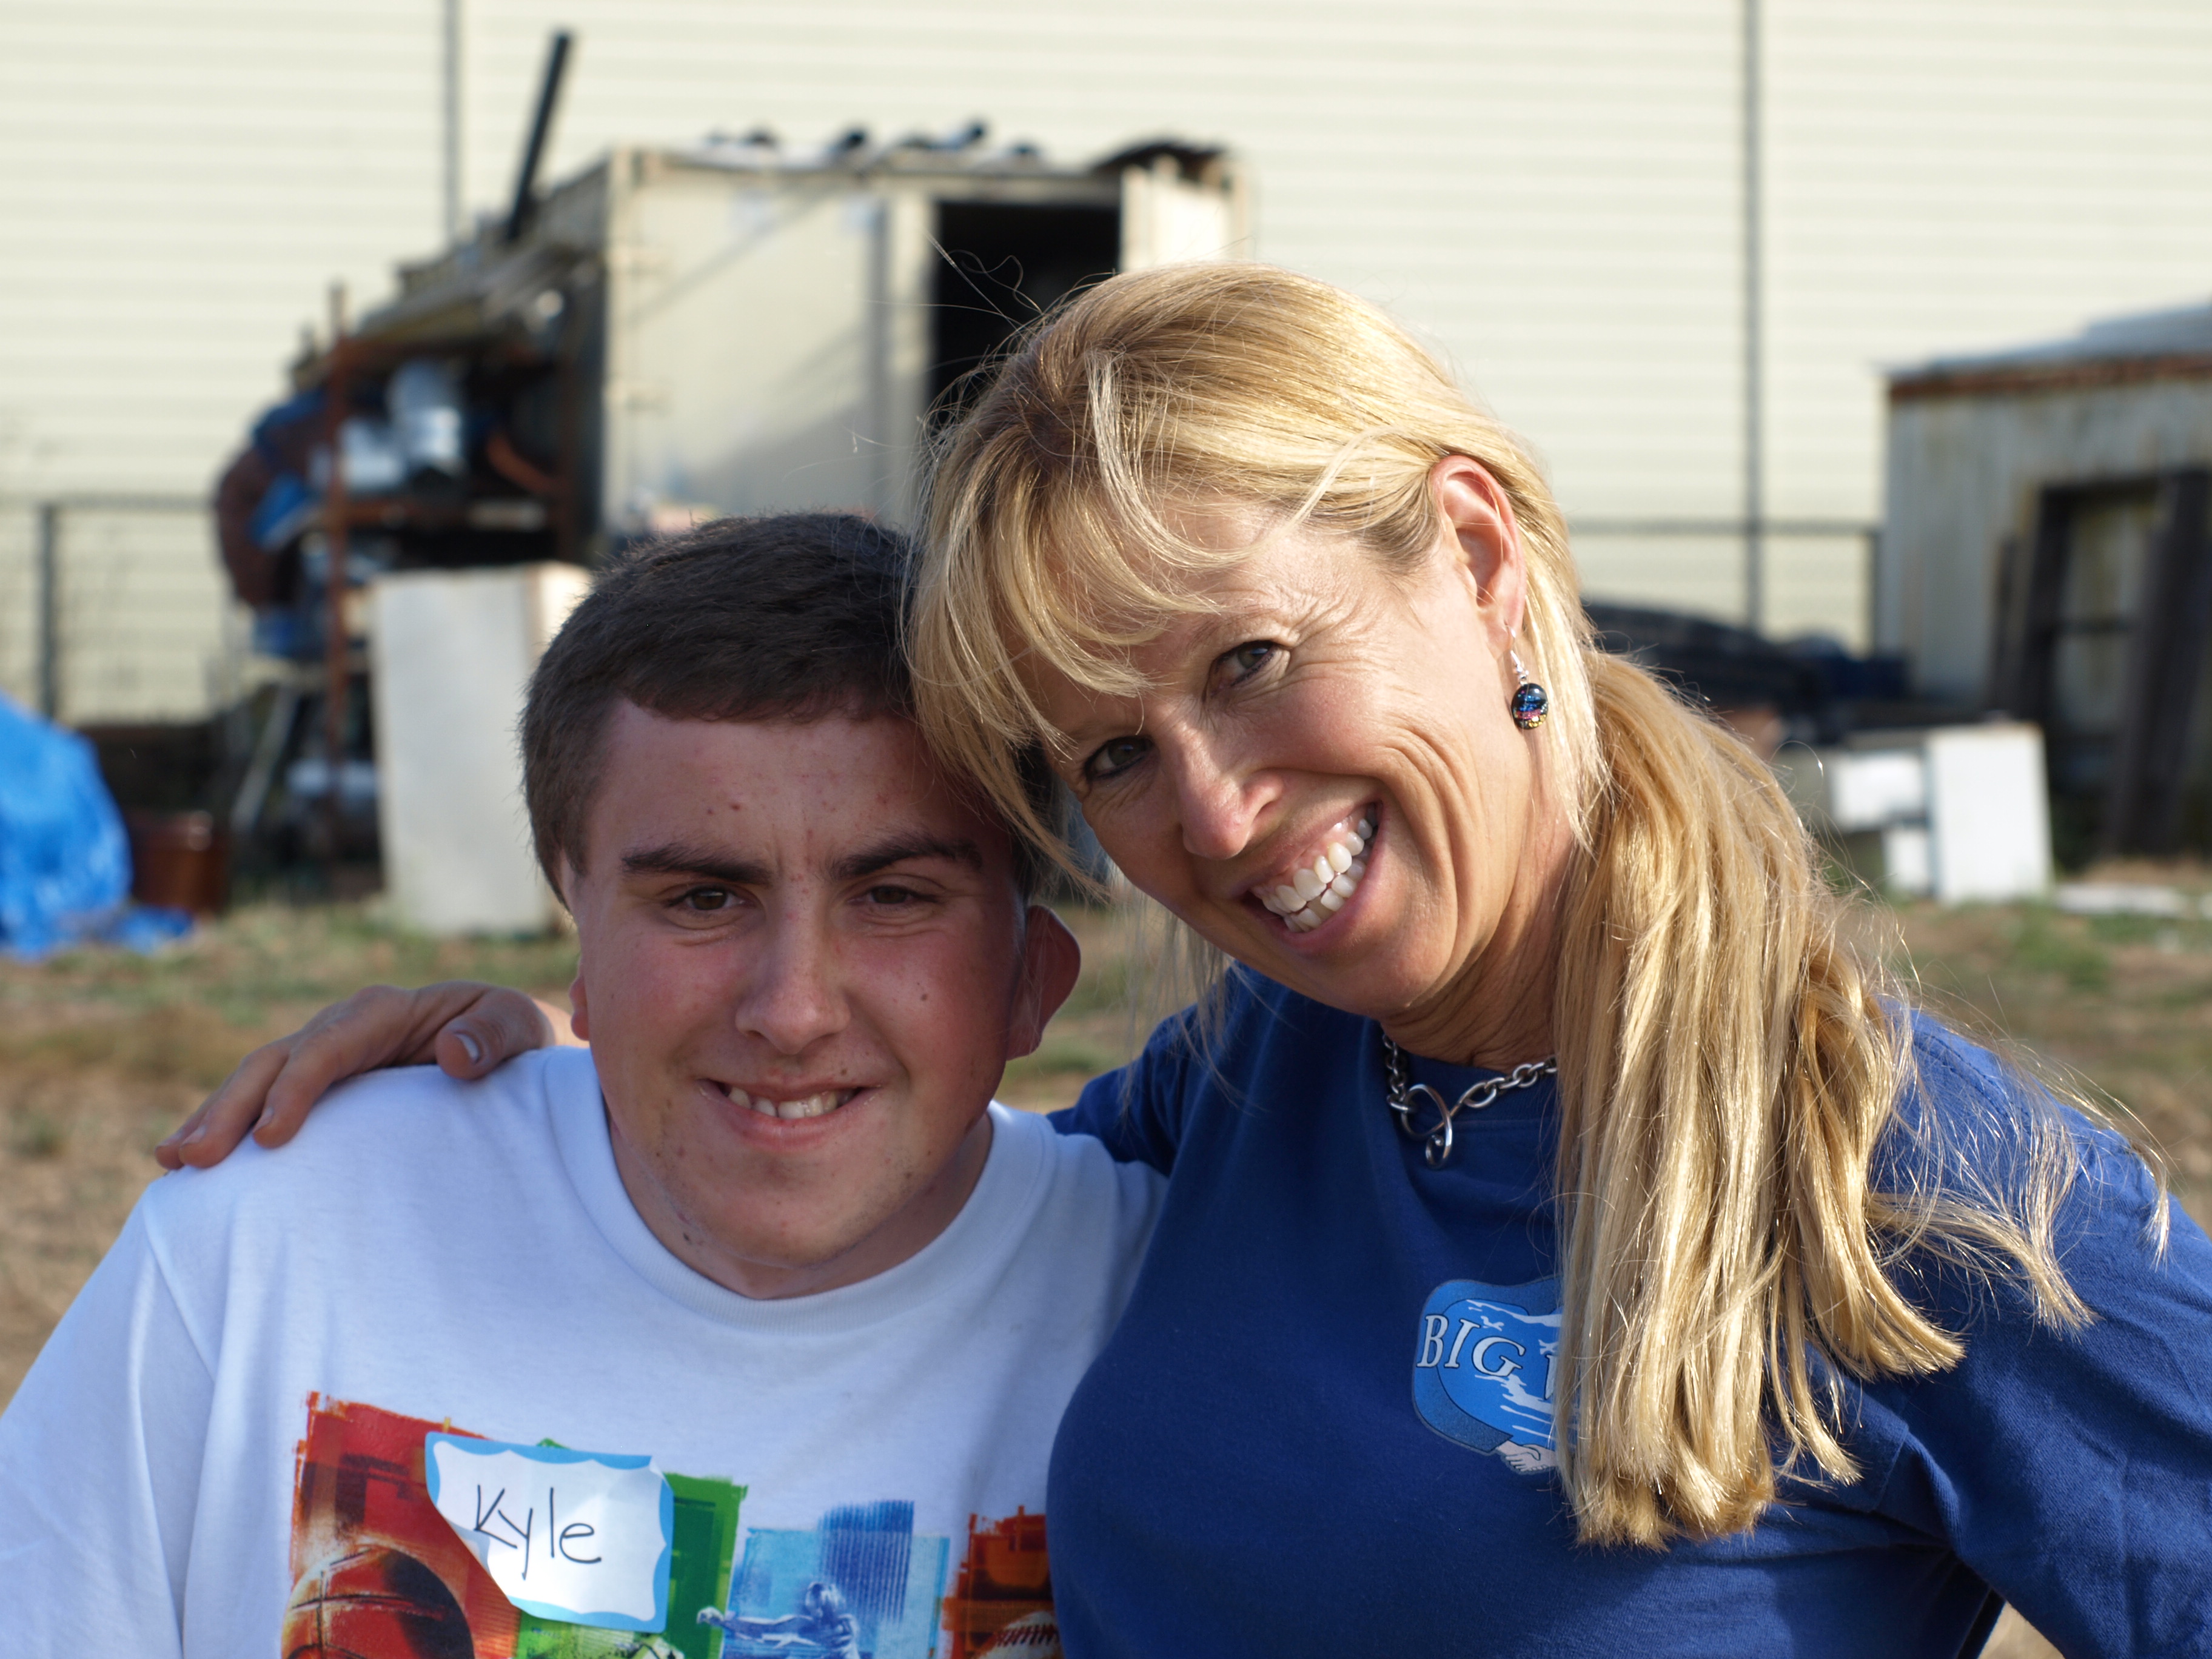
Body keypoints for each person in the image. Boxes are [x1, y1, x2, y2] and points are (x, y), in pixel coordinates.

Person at [171, 266, 2212, 1657]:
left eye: (1247, 662)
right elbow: (900, 1172)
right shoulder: (1265, 1071)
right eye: (1115, 756)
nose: (1216, 817)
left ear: (1476, 556)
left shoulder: (1915, 1192)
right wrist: (588, 1042)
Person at [0, 513, 1161, 1656]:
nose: (793, 1009)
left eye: (895, 896)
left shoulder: (1165, 1306)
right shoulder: (265, 1246)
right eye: (703, 898)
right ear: (578, 937)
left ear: (1035, 975)